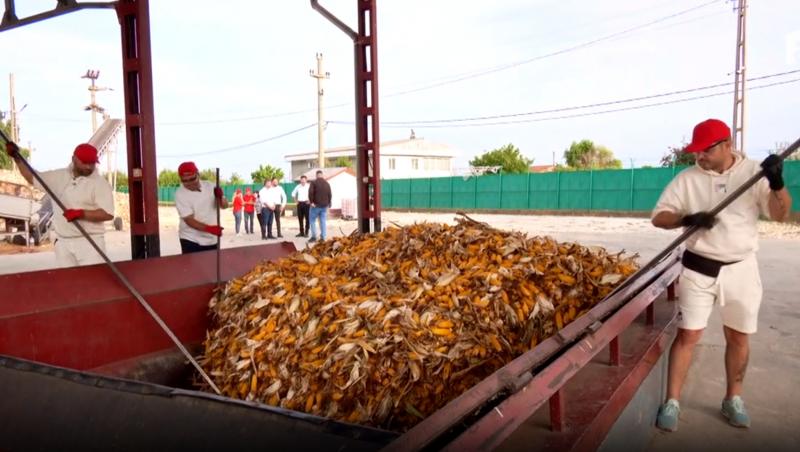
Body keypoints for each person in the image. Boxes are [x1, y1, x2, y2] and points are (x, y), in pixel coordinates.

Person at [651, 119, 792, 432]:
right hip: (698, 267)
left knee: (739, 337)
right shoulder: (687, 179)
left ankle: (733, 399)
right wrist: (686, 218)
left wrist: (778, 184)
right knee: (688, 335)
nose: (699, 156)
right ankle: (672, 401)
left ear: (727, 145)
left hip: (741, 268)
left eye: (706, 150)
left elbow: (782, 214)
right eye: (696, 151)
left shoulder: (754, 172)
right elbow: (658, 217)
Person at [5, 142, 114, 267]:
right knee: (68, 284)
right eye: (85, 162)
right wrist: (17, 158)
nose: (89, 167)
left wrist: (81, 213)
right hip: (63, 243)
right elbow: (32, 178)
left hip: (90, 243)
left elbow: (108, 214)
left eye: (92, 163)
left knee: (92, 283)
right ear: (74, 159)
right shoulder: (58, 177)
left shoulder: (100, 184)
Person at [174, 161, 228, 254]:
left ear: (198, 174)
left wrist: (220, 197)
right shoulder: (180, 194)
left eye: (192, 179)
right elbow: (189, 220)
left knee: (212, 267)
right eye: (185, 181)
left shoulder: (210, 186)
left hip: (212, 239)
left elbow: (225, 206)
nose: (189, 183)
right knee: (193, 268)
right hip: (190, 239)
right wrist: (210, 229)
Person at [308, 170, 332, 243]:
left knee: (312, 220)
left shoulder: (313, 182)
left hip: (316, 205)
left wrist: (311, 202)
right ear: (322, 175)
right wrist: (329, 202)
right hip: (324, 206)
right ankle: (323, 237)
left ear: (316, 175)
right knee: (323, 221)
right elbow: (330, 194)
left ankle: (314, 237)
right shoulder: (327, 183)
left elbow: (310, 192)